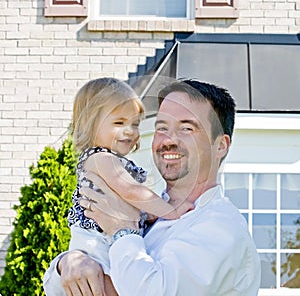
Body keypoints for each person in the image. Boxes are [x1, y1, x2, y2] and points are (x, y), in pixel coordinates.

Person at [44, 79, 261, 296]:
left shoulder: (220, 227)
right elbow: (57, 288)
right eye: (162, 127)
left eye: (187, 128)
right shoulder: (148, 212)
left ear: (220, 145)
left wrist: (123, 230)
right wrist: (70, 262)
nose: (169, 140)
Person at [43, 77, 192, 296]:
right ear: (90, 124)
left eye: (135, 124)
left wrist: (147, 214)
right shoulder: (100, 157)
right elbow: (130, 191)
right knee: (112, 286)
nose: (130, 131)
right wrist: (172, 211)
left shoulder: (111, 160)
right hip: (96, 243)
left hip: (106, 241)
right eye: (119, 123)